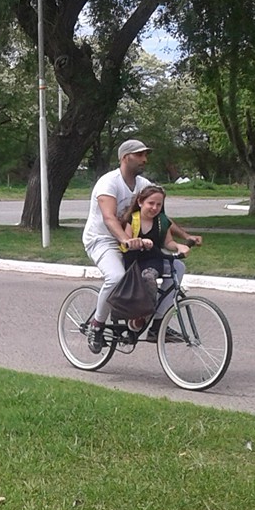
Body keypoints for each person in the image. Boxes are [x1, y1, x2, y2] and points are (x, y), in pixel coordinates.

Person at [82, 139, 199, 353]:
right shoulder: (108, 183)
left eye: (146, 155)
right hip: (103, 240)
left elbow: (161, 218)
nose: (145, 159)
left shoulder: (143, 185)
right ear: (126, 157)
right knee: (117, 277)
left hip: (136, 243)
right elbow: (109, 218)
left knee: (177, 269)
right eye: (140, 155)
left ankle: (157, 324)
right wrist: (125, 240)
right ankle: (96, 325)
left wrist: (185, 236)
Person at [119, 185, 191, 338]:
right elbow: (125, 242)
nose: (154, 208)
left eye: (159, 204)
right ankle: (141, 315)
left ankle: (158, 321)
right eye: (150, 203)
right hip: (135, 261)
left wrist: (179, 246)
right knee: (148, 277)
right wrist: (137, 241)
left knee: (177, 269)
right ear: (140, 202)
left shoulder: (161, 221)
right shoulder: (133, 219)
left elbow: (168, 242)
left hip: (154, 259)